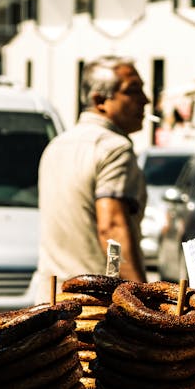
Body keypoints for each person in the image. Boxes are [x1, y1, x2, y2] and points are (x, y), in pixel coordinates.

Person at [35, 56, 149, 298]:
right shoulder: (114, 148)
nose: (146, 100)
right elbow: (112, 229)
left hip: (50, 298)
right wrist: (139, 295)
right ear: (100, 101)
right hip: (94, 306)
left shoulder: (57, 145)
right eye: (133, 91)